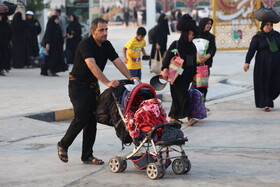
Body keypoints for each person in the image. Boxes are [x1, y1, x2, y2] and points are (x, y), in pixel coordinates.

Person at [57, 18, 138, 164]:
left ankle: (87, 155)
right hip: (78, 86)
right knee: (81, 118)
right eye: (101, 30)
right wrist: (107, 82)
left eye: (106, 29)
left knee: (92, 120)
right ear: (93, 31)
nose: (105, 33)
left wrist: (131, 78)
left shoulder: (106, 45)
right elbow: (92, 65)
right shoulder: (85, 44)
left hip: (92, 86)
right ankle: (63, 144)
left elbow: (118, 61)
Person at [161, 14, 198, 126]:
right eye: (189, 34)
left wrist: (195, 74)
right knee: (183, 96)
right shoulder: (176, 45)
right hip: (176, 76)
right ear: (184, 33)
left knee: (177, 97)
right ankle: (190, 117)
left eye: (193, 34)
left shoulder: (192, 47)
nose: (191, 36)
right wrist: (164, 69)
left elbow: (193, 63)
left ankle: (173, 117)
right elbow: (167, 58)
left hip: (187, 76)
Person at [243, 21, 280, 112]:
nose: (269, 27)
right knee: (264, 83)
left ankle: (270, 98)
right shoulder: (257, 37)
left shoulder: (276, 35)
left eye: (271, 25)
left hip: (276, 63)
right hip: (263, 64)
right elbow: (251, 50)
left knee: (276, 83)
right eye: (267, 25)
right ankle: (266, 102)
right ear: (263, 26)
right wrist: (247, 62)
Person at [196, 18, 216, 110]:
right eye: (207, 24)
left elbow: (212, 49)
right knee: (194, 86)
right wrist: (197, 56)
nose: (209, 26)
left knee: (203, 86)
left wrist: (206, 57)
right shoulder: (195, 34)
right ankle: (194, 104)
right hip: (194, 65)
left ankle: (202, 104)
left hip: (204, 66)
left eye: (210, 24)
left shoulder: (211, 37)